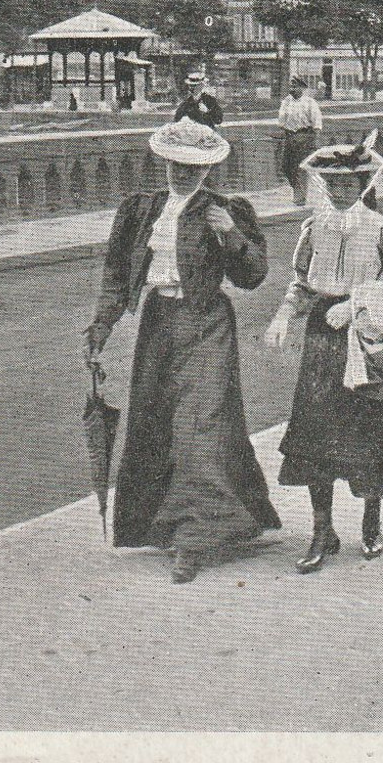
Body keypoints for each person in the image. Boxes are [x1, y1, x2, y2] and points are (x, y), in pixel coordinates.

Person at [83, 118, 278, 584]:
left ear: (208, 169)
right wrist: (100, 328)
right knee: (156, 424)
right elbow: (115, 275)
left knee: (200, 426)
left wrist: (231, 234)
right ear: (165, 162)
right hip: (158, 323)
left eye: (194, 167)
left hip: (208, 321)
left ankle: (196, 538)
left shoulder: (226, 210)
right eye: (177, 165)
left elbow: (252, 276)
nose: (184, 174)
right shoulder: (141, 210)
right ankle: (173, 525)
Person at [264, 136, 383, 571]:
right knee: (316, 432)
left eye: (347, 184)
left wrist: (356, 301)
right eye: (331, 184)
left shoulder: (381, 227)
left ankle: (371, 522)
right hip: (322, 339)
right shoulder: (314, 227)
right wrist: (285, 314)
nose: (338, 192)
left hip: (366, 338)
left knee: (369, 430)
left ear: (362, 184)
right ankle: (323, 530)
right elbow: (301, 280)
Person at [277, 75, 324, 206]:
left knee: (301, 167)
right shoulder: (286, 102)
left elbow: (317, 124)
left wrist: (315, 141)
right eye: (291, 86)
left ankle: (300, 196)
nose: (292, 88)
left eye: (295, 86)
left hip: (305, 137)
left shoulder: (310, 102)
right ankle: (297, 189)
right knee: (285, 167)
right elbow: (281, 123)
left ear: (302, 88)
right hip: (290, 137)